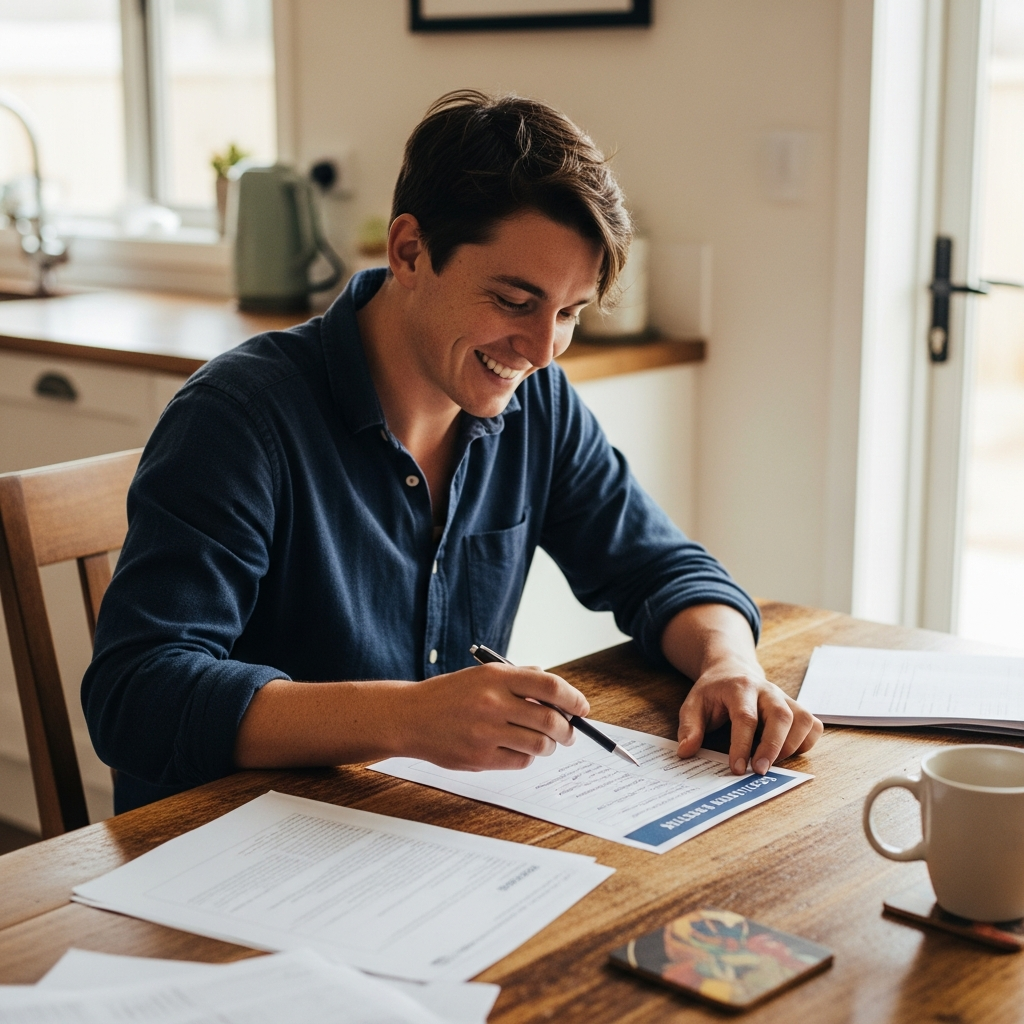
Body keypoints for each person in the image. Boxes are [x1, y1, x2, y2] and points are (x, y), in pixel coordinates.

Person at [83, 90, 822, 814]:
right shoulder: (238, 419)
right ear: (410, 251)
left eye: (568, 312)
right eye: (513, 300)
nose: (540, 349)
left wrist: (730, 662)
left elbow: (660, 567)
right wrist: (408, 718)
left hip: (412, 837)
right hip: (221, 856)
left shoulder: (538, 404)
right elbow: (136, 695)